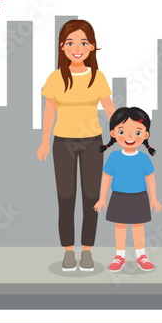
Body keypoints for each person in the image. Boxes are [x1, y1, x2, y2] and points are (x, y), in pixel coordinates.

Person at [37, 19, 116, 271]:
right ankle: (68, 250)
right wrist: (44, 142)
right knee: (66, 197)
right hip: (63, 143)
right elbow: (49, 111)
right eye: (70, 42)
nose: (77, 47)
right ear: (62, 47)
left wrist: (122, 130)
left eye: (83, 42)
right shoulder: (56, 77)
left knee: (92, 197)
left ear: (92, 47)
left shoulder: (97, 77)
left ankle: (88, 250)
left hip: (93, 142)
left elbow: (109, 108)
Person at [94, 107, 162, 272]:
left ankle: (141, 255)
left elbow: (150, 178)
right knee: (120, 227)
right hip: (118, 196)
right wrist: (102, 198)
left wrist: (154, 198)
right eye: (122, 131)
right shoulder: (114, 157)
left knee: (139, 227)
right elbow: (106, 177)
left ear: (146, 135)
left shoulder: (144, 158)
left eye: (137, 132)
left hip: (139, 196)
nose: (130, 137)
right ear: (113, 133)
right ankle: (120, 256)